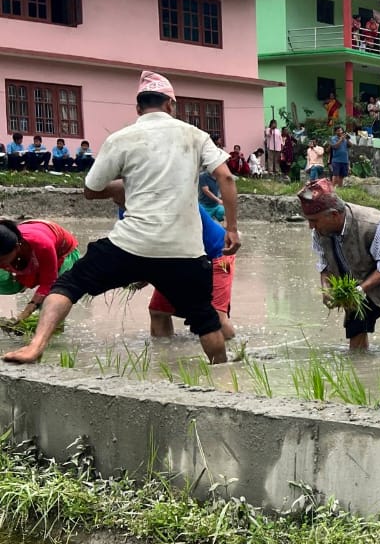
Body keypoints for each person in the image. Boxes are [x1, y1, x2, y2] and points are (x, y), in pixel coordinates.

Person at [2, 70, 240, 366]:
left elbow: (91, 189)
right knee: (205, 318)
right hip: (184, 251)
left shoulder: (121, 138)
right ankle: (222, 371)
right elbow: (226, 178)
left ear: (139, 108)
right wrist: (232, 228)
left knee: (69, 285)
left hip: (130, 244)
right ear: (171, 105)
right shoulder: (195, 136)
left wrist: (121, 186)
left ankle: (34, 347)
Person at [298, 178, 380, 351]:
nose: (311, 226)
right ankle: (360, 369)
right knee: (355, 330)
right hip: (357, 286)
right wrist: (326, 289)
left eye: (314, 220)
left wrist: (360, 289)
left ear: (333, 214)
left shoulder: (374, 224)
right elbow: (324, 264)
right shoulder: (320, 231)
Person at [150, 205, 236, 341]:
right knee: (158, 311)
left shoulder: (176, 199)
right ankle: (164, 354)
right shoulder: (127, 209)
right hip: (178, 257)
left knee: (217, 317)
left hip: (218, 254)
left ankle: (236, 351)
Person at [0, 218, 80, 321]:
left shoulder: (42, 245)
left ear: (17, 247)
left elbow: (48, 283)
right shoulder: (8, 253)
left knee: (50, 305)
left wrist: (27, 312)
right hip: (25, 258)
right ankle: (23, 281)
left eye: (2, 260)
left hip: (61, 255)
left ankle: (51, 332)